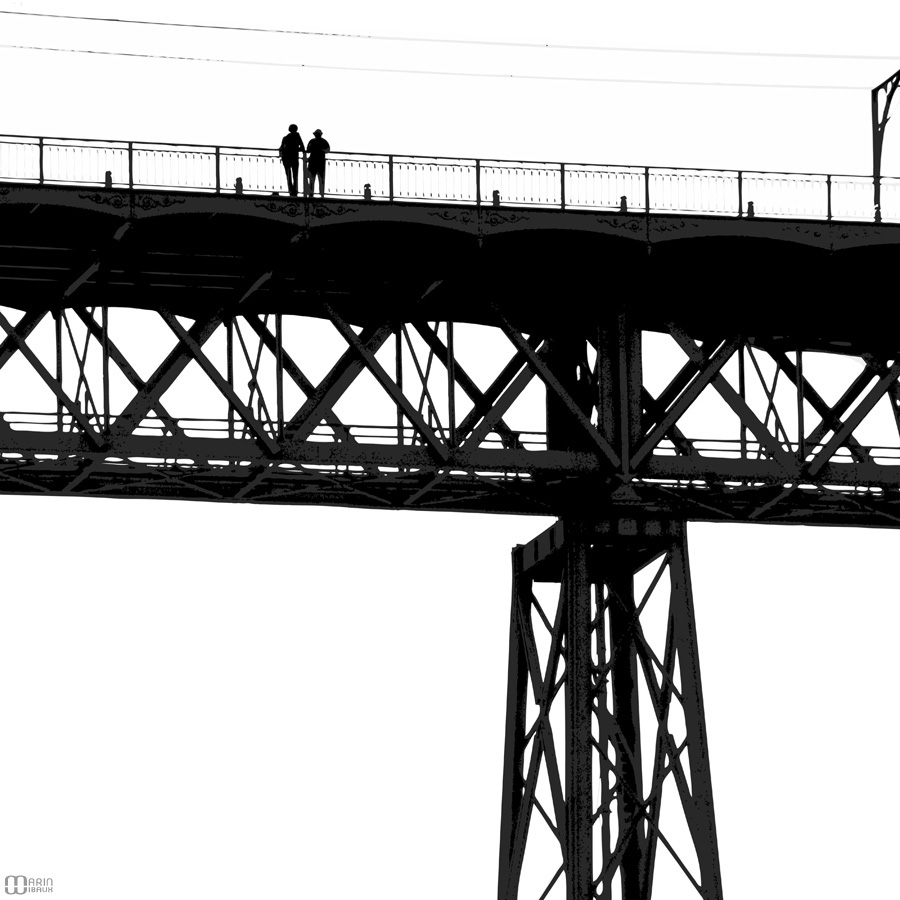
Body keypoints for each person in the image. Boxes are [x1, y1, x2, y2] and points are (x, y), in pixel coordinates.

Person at [278, 124, 305, 197]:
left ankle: (291, 190)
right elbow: (302, 148)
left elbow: (280, 148)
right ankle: (294, 191)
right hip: (294, 158)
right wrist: (295, 149)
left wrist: (282, 155)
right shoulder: (297, 137)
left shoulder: (286, 137)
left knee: (289, 175)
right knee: (295, 175)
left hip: (286, 158)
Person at [306, 129, 331, 198]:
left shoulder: (312, 141)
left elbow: (307, 150)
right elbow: (328, 150)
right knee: (320, 179)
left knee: (313, 179)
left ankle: (312, 193)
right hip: (319, 162)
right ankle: (321, 194)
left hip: (314, 162)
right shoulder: (323, 141)